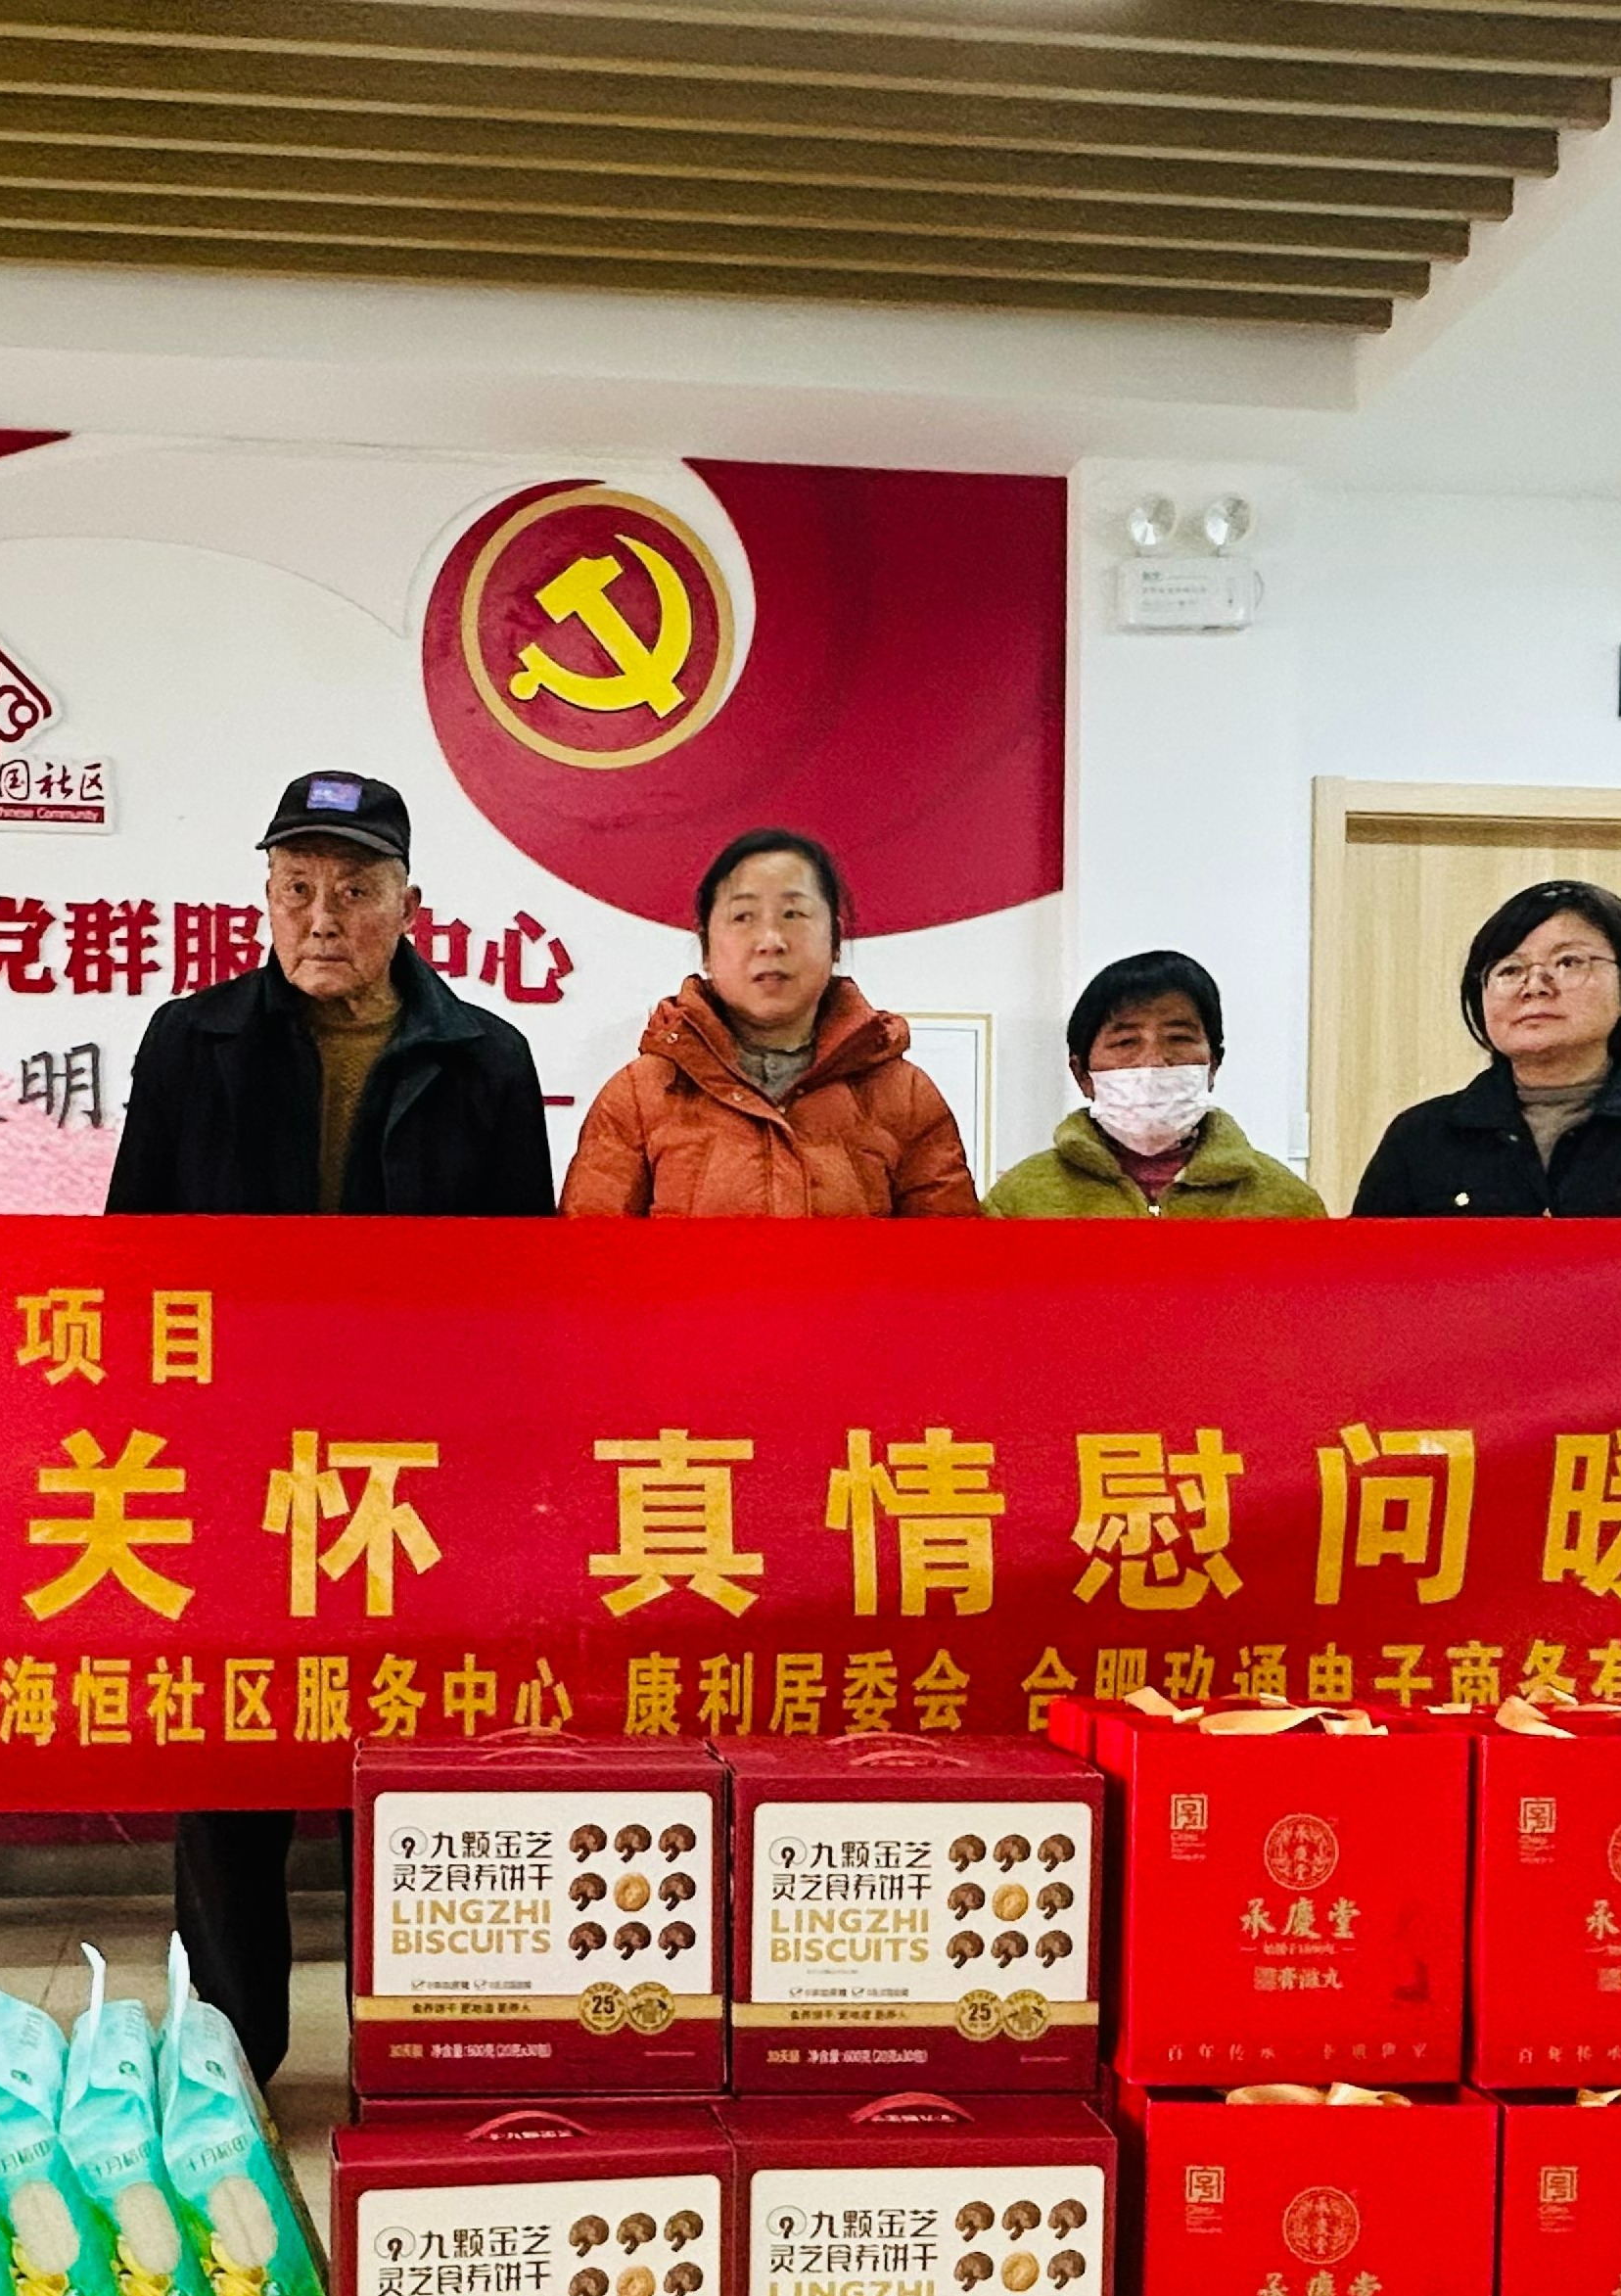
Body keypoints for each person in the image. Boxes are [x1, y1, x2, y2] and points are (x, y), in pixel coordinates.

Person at [107, 770, 553, 2081]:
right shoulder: (189, 1042)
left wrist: (499, 1477)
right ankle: (227, 2064)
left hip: (414, 1478)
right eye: (296, 886)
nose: (321, 916)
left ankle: (410, 2055)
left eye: (354, 890)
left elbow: (526, 1293)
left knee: (402, 1765)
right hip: (230, 1462)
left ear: (409, 905)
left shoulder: (484, 1058)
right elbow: (128, 1260)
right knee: (230, 1760)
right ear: (262, 896)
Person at [561, 828, 976, 1216]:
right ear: (706, 948)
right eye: (743, 917)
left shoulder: (905, 1098)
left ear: (835, 940)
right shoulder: (640, 1096)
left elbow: (951, 1260)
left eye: (794, 914)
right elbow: (587, 1257)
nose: (771, 941)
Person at [1347, 879, 1621, 1217]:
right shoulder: (1420, 1138)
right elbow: (1368, 1277)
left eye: (1568, 962)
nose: (1535, 986)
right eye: (1509, 970)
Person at [982, 947, 1323, 1221]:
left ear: (1213, 1065)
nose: (1154, 1061)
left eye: (1179, 1038)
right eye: (1126, 1042)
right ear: (1082, 1074)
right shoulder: (1019, 1201)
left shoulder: (1287, 1203)